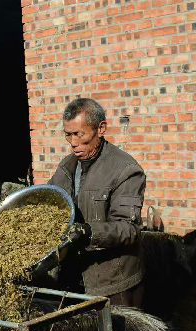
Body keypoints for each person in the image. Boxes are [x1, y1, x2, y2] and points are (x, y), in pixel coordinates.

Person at [49, 98, 146, 307]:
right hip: (73, 276)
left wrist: (89, 233)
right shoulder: (67, 166)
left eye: (79, 134)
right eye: (68, 134)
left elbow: (129, 229)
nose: (73, 142)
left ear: (100, 128)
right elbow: (49, 200)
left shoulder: (125, 170)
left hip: (112, 282)